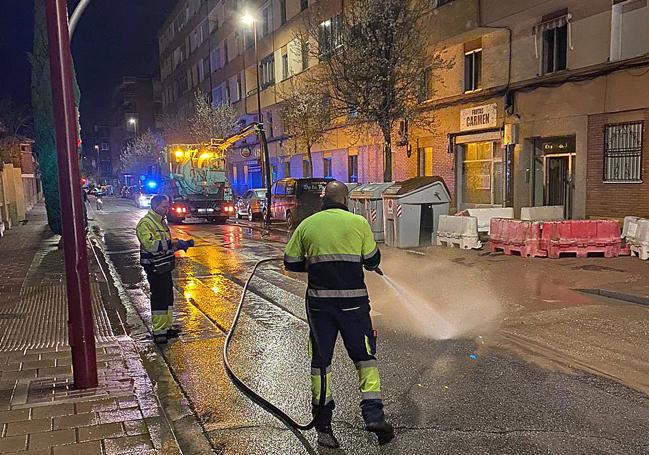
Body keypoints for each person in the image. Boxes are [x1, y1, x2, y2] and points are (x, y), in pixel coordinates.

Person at [284, 180, 394, 448]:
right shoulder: (359, 224)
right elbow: (372, 260)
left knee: (321, 363)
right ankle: (374, 417)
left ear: (324, 200)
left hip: (320, 308)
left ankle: (323, 425)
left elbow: (291, 262)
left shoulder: (308, 225)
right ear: (345, 200)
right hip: (355, 308)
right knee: (365, 358)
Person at [136, 195, 192, 344]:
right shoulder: (146, 223)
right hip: (154, 267)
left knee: (167, 297)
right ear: (155, 206)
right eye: (164, 206)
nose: (166, 209)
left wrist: (179, 245)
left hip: (164, 266)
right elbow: (151, 245)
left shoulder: (161, 222)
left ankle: (166, 328)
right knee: (159, 298)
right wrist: (171, 242)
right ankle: (159, 332)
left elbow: (164, 245)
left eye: (167, 206)